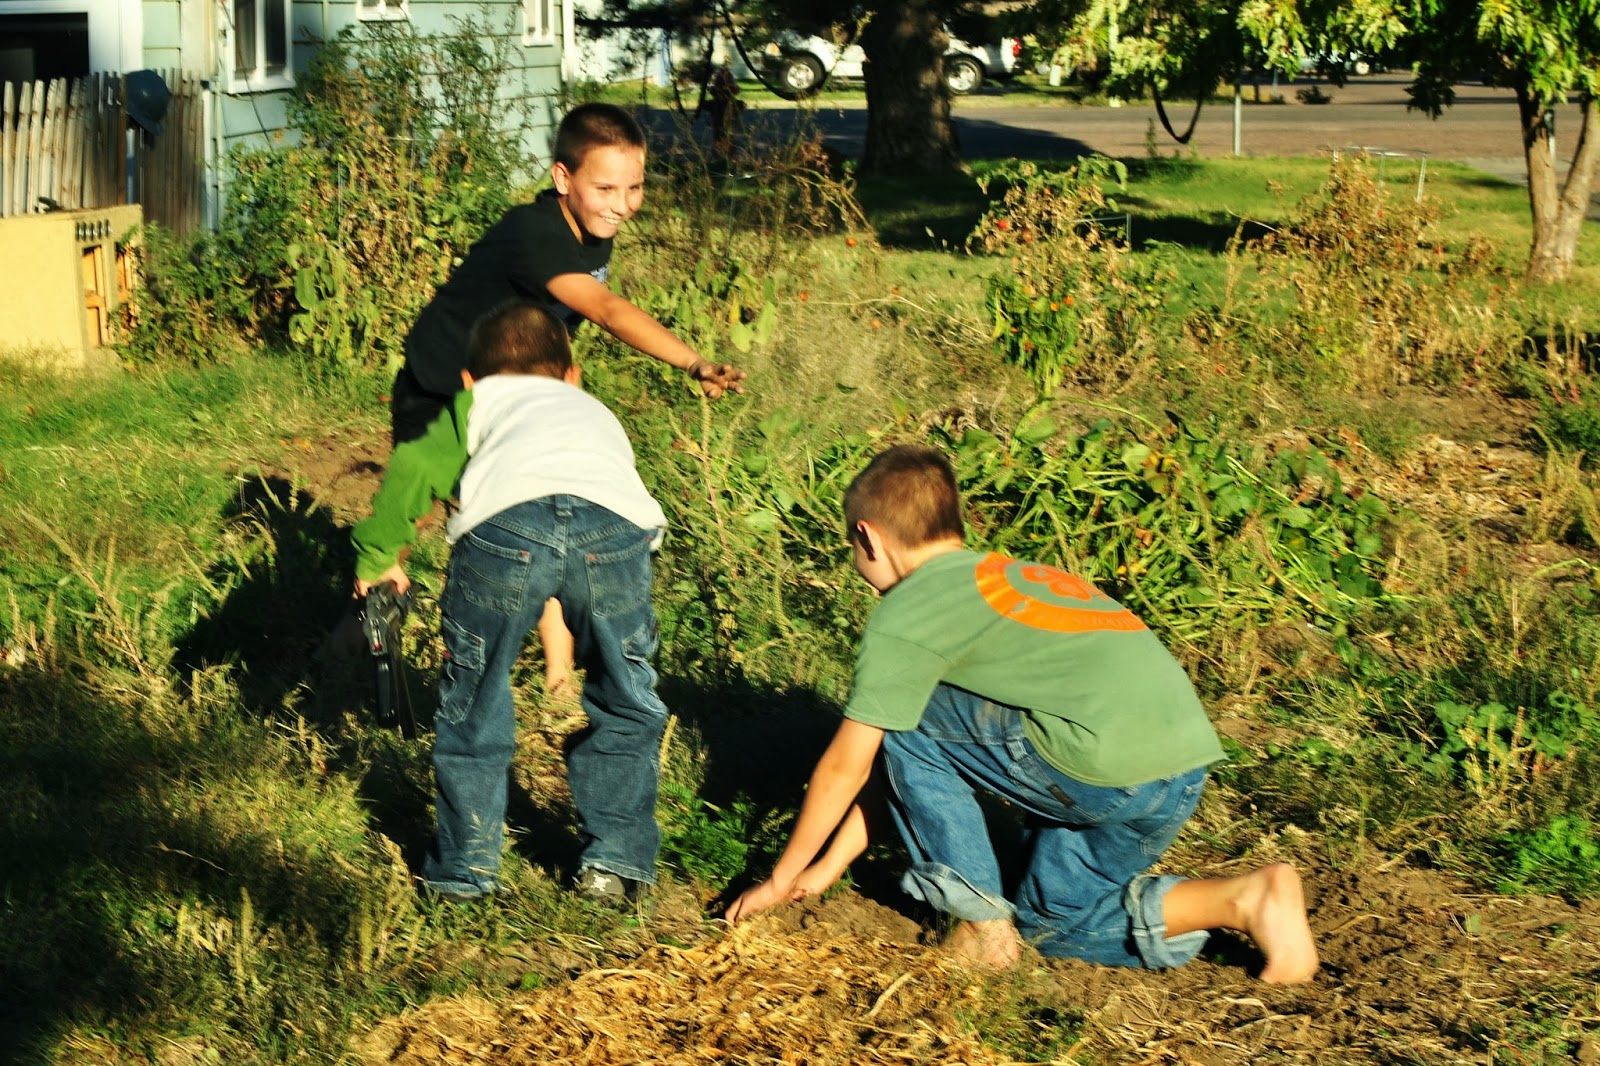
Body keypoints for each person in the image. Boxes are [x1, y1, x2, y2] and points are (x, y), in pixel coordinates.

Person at [725, 445, 1319, 983]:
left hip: (1095, 767)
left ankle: (980, 924)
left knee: (905, 721)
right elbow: (906, 772)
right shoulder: (1008, 576)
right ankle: (1245, 898)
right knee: (1048, 924)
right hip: (1181, 768)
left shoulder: (908, 608)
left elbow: (849, 766)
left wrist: (780, 880)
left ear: (869, 538)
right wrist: (829, 866)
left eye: (854, 551)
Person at [389, 101, 746, 698]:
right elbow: (603, 309)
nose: (623, 203)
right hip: (445, 389)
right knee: (408, 524)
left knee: (539, 507)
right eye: (605, 186)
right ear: (563, 179)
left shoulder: (591, 229)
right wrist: (694, 360)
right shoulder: (536, 234)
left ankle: (558, 675)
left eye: (634, 187)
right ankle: (358, 639)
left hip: (521, 395)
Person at [354, 301, 672, 905]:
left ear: (470, 380)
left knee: (475, 697)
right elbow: (600, 485)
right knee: (627, 699)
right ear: (572, 375)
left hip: (506, 531)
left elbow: (416, 467)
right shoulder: (592, 409)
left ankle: (465, 874)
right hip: (614, 531)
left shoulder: (475, 402)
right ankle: (615, 866)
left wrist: (380, 556)